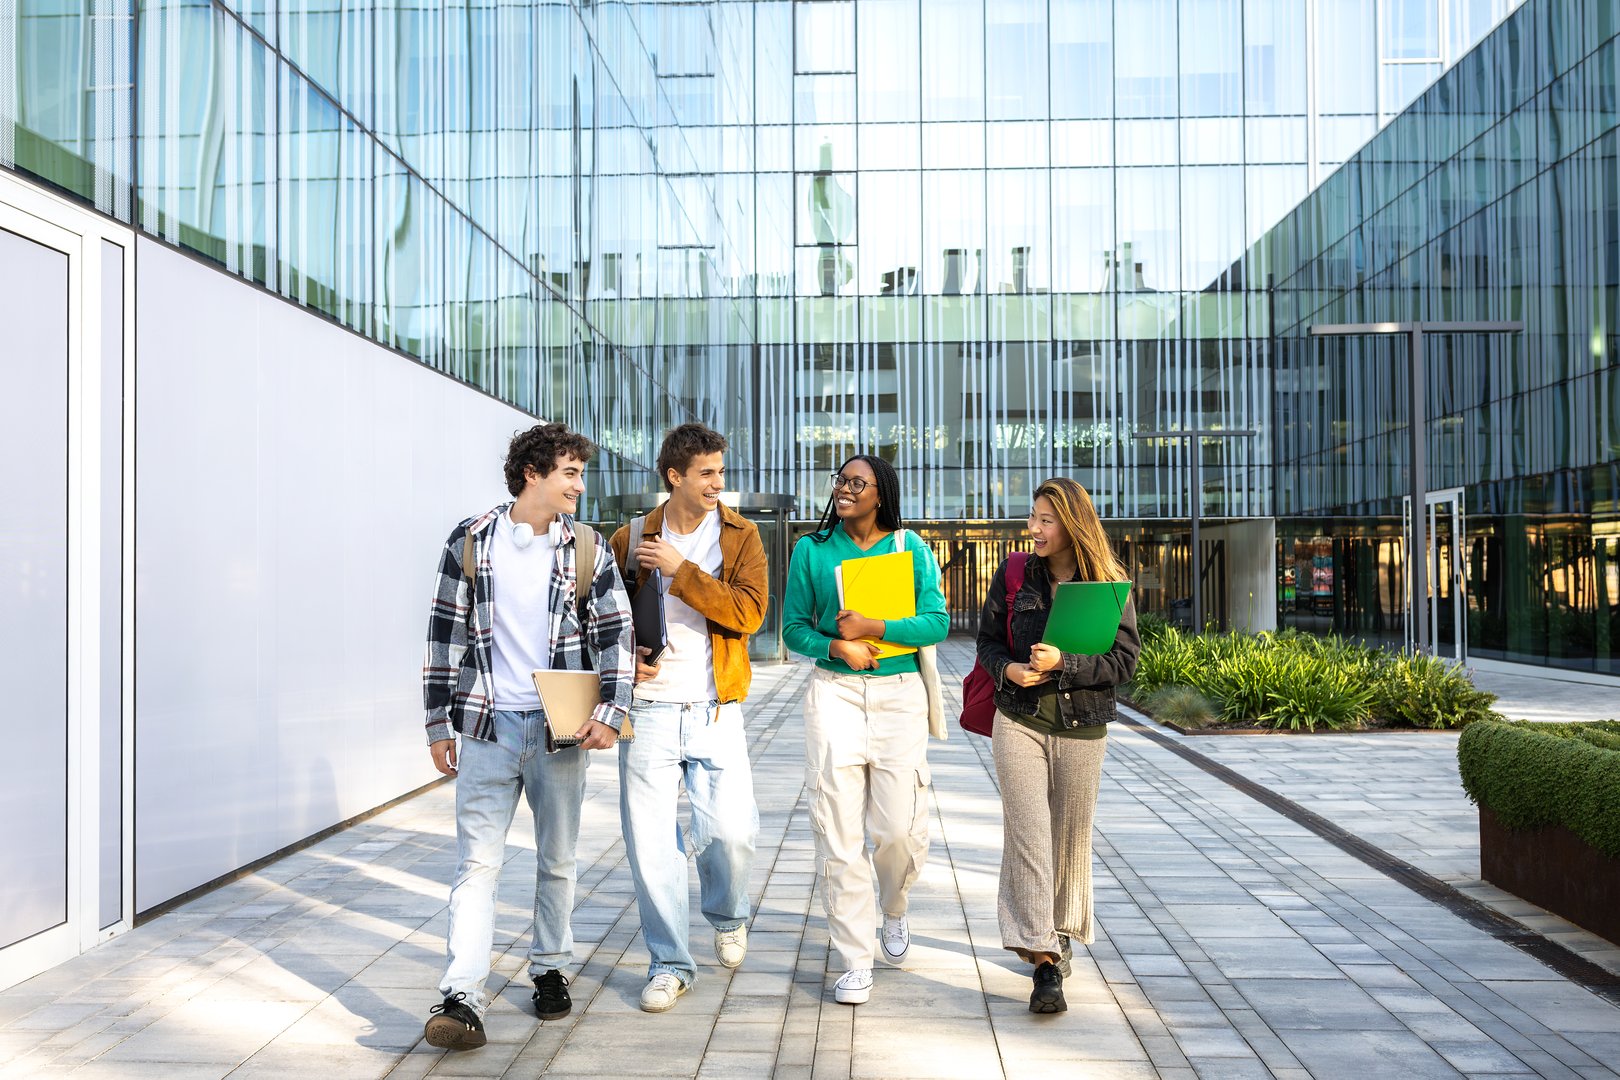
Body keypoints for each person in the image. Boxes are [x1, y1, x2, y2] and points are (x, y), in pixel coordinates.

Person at [420, 422, 634, 1050]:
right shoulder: (471, 540)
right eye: (569, 472)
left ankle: (550, 968)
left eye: (579, 472)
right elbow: (442, 637)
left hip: (558, 732)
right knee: (476, 862)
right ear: (532, 473)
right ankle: (461, 994)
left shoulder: (587, 547)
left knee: (557, 858)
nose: (579, 484)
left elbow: (615, 636)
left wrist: (612, 713)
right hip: (486, 726)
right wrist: (438, 724)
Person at [608, 423, 768, 1013]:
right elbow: (602, 619)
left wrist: (682, 571)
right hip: (647, 711)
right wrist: (629, 661)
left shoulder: (741, 535)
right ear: (674, 476)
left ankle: (727, 914)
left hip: (715, 706)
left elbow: (749, 614)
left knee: (731, 831)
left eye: (721, 472)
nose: (717, 483)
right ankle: (671, 963)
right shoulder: (629, 537)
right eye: (706, 473)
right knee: (652, 845)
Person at [782, 455, 949, 1005]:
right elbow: (793, 629)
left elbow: (937, 622)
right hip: (835, 693)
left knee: (898, 829)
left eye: (859, 482)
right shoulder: (811, 549)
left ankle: (894, 909)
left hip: (899, 694)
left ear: (882, 492)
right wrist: (837, 645)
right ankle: (855, 958)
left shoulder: (909, 548)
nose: (846, 489)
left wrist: (876, 627)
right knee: (837, 831)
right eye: (842, 480)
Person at [975, 477, 1139, 1015]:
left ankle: (1057, 931)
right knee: (1027, 835)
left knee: (1068, 841)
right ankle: (1044, 963)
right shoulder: (1015, 572)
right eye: (1033, 518)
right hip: (1018, 720)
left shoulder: (1110, 584)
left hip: (1082, 727)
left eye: (1045, 520)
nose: (1034, 528)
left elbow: (1124, 663)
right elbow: (988, 642)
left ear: (1072, 524)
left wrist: (1062, 664)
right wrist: (1011, 669)